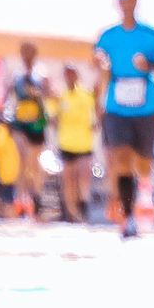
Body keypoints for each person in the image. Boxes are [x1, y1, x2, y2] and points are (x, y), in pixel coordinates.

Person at [95, 0, 154, 238]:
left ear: (137, 2)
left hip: (146, 105)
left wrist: (149, 64)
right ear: (119, 3)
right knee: (121, 157)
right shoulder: (108, 36)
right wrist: (99, 62)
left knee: (142, 162)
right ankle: (128, 217)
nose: (129, 3)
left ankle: (142, 192)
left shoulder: (150, 34)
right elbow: (96, 57)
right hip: (116, 105)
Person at [6, 42, 51, 219]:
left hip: (36, 123)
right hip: (20, 122)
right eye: (24, 51)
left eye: (29, 51)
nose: (26, 55)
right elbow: (9, 94)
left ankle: (36, 197)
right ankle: (20, 200)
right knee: (22, 160)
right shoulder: (16, 74)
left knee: (33, 164)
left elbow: (49, 94)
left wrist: (36, 92)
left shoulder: (42, 73)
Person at [55, 65, 97, 223]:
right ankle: (71, 213)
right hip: (66, 143)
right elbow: (54, 117)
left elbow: (96, 110)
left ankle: (83, 208)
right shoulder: (61, 96)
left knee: (83, 179)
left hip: (84, 143)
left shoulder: (85, 95)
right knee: (68, 181)